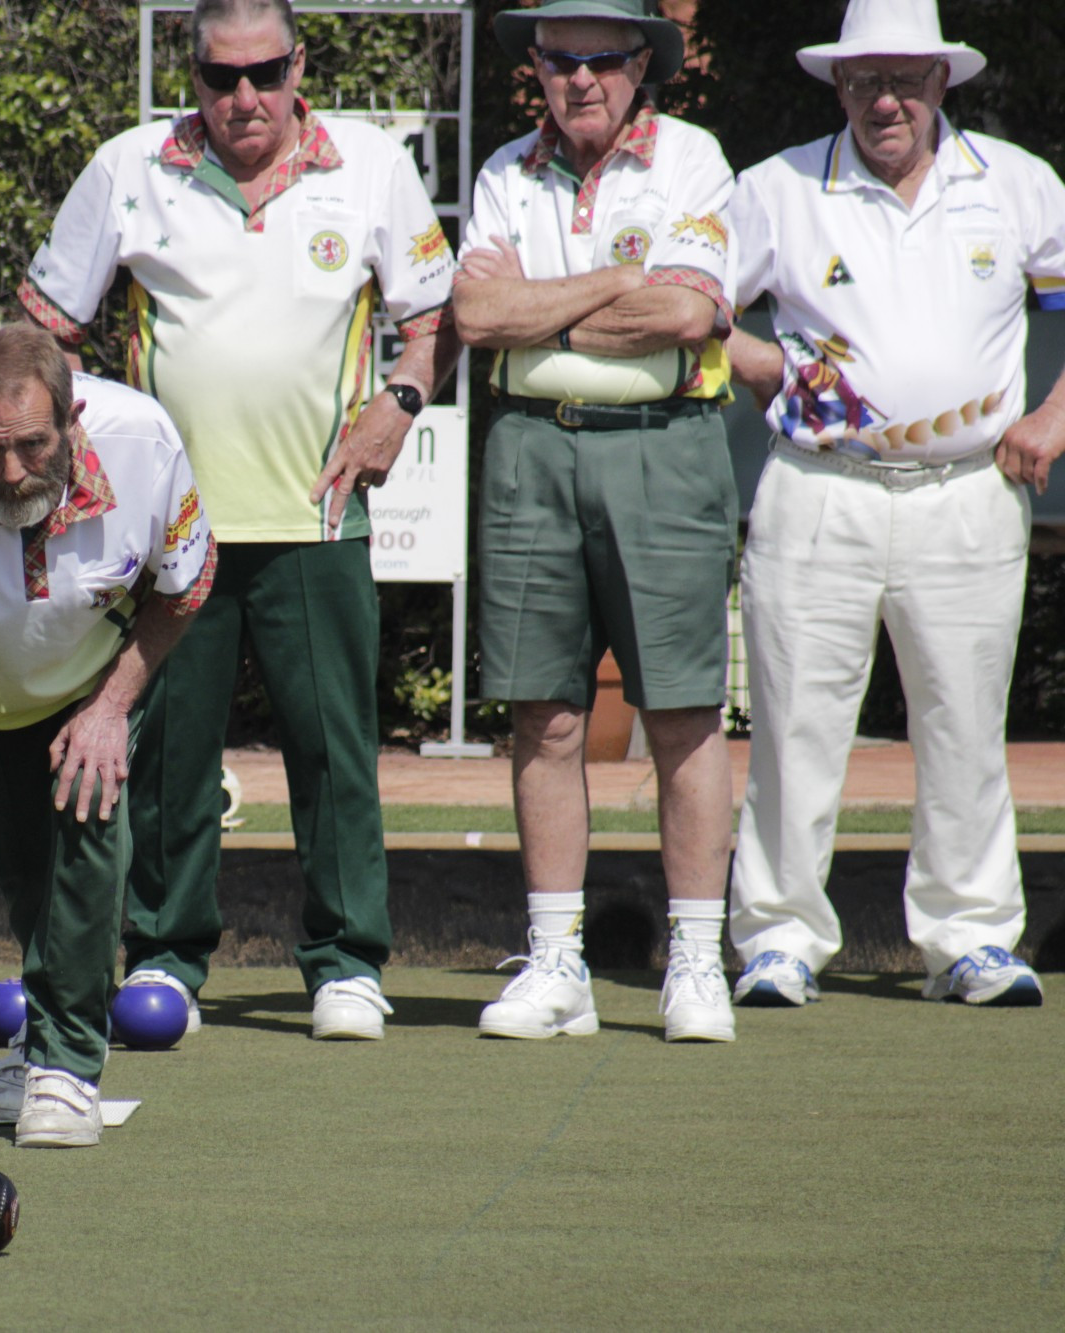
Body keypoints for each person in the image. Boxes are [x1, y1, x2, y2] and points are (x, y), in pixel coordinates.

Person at [18, 0, 460, 1041]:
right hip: (169, 529)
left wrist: (398, 404)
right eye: (220, 79)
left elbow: (430, 312)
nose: (244, 99)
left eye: (264, 73)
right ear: (192, 77)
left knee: (333, 747)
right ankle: (166, 954)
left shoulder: (369, 165)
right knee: (169, 753)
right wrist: (95, 463)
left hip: (319, 514)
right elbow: (44, 330)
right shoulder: (129, 166)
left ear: (298, 63)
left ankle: (345, 961)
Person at [724, 0, 1065, 1008]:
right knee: (791, 724)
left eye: (905, 79)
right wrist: (762, 363)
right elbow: (687, 305)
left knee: (962, 721)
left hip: (966, 492)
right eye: (864, 79)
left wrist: (1051, 419)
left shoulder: (1015, 182)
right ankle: (777, 936)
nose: (885, 100)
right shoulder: (775, 187)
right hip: (814, 488)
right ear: (835, 84)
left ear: (939, 83)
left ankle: (967, 936)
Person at [451, 0, 740, 1042]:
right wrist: (623, 277)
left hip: (664, 441)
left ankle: (697, 960)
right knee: (544, 712)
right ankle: (555, 960)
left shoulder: (693, 159)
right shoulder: (499, 172)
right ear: (535, 65)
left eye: (602, 60)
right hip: (529, 445)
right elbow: (474, 317)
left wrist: (549, 299)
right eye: (558, 60)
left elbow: (684, 313)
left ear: (640, 66)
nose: (579, 79)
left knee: (680, 712)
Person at [0, 325, 216, 1147]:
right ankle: (40, 1039)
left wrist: (109, 709)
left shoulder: (143, 439)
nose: (14, 469)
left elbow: (190, 581)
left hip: (105, 668)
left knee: (89, 842)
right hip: (3, 692)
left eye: (33, 443)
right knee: (29, 881)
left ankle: (66, 1069)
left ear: (72, 414)